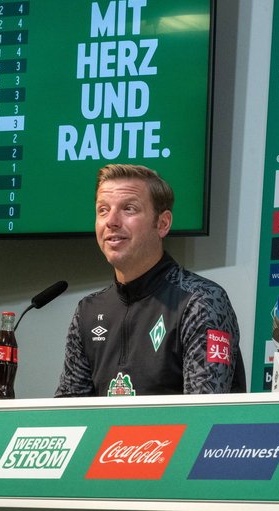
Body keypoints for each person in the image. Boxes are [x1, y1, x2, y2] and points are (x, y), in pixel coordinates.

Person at [56, 164, 247, 396]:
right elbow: (68, 414)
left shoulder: (201, 301)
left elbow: (203, 413)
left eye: (129, 209)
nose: (111, 221)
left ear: (163, 224)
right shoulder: (87, 311)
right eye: (103, 210)